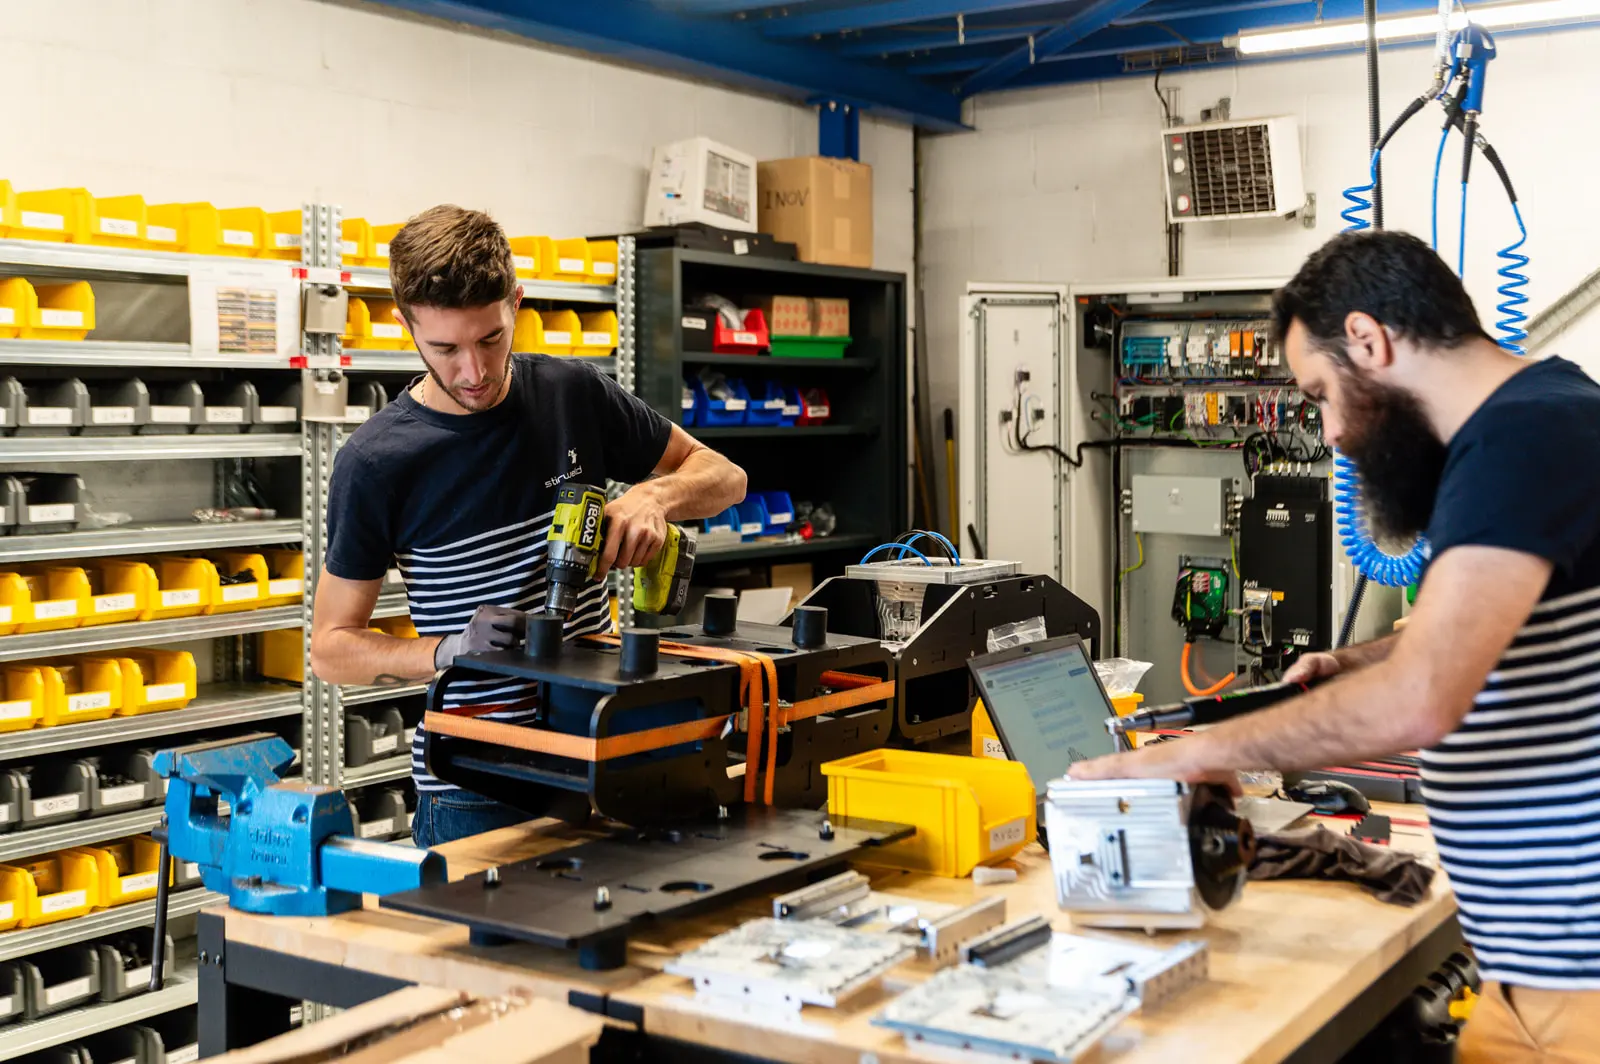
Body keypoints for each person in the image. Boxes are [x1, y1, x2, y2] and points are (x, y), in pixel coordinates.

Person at [1071, 230, 1600, 1063]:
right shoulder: (1548, 411)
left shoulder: (1519, 441)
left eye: (1318, 394)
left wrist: (1189, 755)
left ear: (1368, 340)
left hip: (1577, 994)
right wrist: (1352, 666)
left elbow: (1424, 696)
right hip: (1533, 979)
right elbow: (1490, 634)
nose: (1332, 435)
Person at [309, 205, 746, 849]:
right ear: (406, 326)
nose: (474, 372)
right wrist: (447, 652)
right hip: (476, 782)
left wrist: (654, 497)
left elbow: (725, 476)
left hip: (603, 745)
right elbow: (330, 647)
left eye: (490, 338)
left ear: (516, 302)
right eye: (445, 348)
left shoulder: (572, 394)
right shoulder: (376, 462)